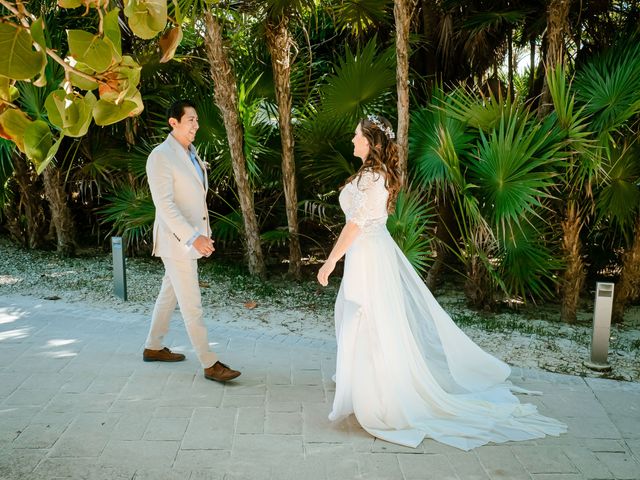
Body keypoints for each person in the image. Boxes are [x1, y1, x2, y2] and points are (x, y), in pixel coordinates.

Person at [317, 114, 566, 450]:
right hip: (370, 254)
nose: (352, 140)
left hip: (368, 256)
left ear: (371, 141)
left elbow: (355, 225)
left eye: (356, 135)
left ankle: (379, 398)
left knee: (367, 319)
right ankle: (364, 387)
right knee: (365, 318)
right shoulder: (371, 175)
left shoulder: (372, 179)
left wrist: (331, 260)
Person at [144, 99, 241, 383]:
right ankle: (210, 364)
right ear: (173, 123)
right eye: (190, 120)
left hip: (190, 237)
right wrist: (193, 237)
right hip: (177, 242)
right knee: (192, 305)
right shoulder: (161, 156)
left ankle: (153, 346)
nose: (196, 126)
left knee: (169, 294)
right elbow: (165, 206)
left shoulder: (191, 152)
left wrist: (202, 232)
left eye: (197, 120)